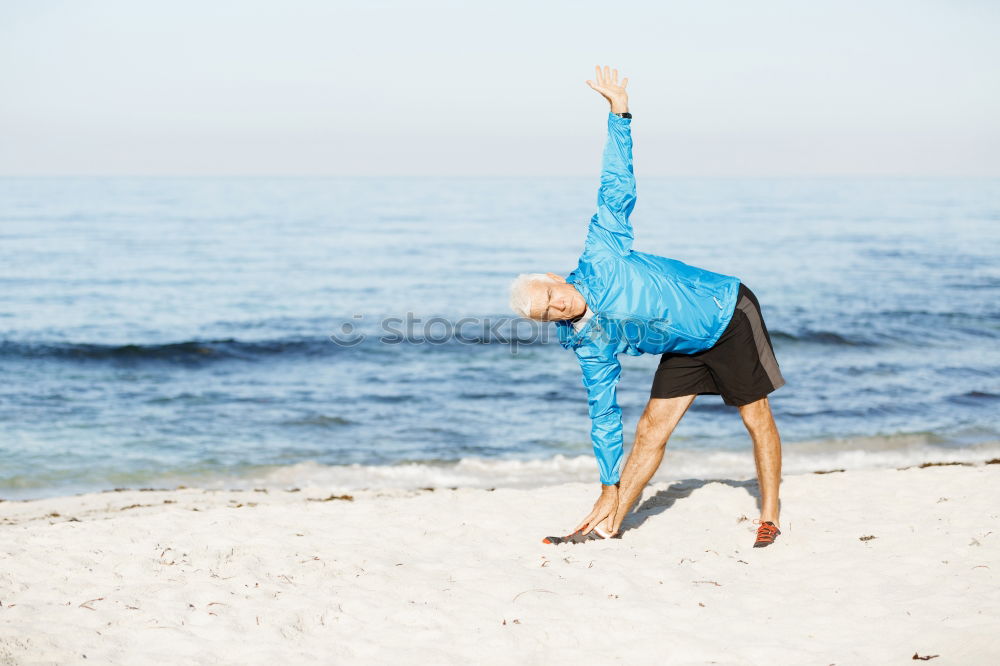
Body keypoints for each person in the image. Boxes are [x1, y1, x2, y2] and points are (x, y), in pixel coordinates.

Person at [509, 66, 786, 548]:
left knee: (754, 415)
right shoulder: (586, 342)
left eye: (551, 296)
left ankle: (770, 514)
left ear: (555, 279)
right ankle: (611, 518)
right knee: (649, 427)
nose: (557, 307)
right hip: (684, 344)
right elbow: (602, 413)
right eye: (546, 313)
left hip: (727, 313)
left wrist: (620, 111)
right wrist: (606, 483)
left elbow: (615, 186)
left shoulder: (602, 253)